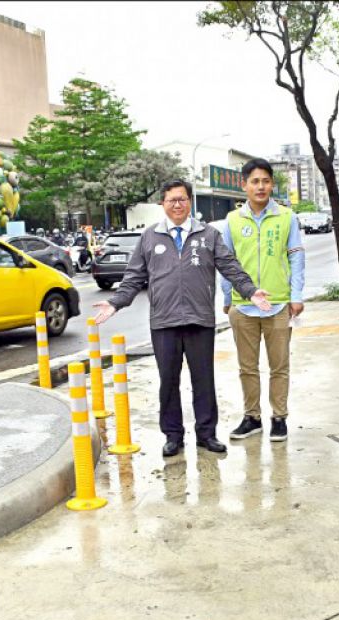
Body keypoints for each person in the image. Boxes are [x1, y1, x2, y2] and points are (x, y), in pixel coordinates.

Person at [92, 180, 271, 457]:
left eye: (182, 199)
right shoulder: (150, 237)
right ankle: (173, 436)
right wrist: (116, 303)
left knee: (204, 380)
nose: (177, 205)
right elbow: (133, 277)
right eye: (171, 200)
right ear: (163, 204)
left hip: (200, 320)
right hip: (164, 323)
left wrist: (250, 291)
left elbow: (230, 267)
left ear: (190, 202)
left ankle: (207, 434)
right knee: (168, 381)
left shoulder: (208, 234)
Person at [220, 158, 305, 442]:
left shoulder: (287, 217)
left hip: (279, 304)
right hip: (243, 306)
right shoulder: (232, 221)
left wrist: (296, 296)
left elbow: (296, 256)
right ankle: (252, 417)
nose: (260, 186)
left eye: (265, 181)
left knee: (279, 366)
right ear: (244, 185)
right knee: (247, 367)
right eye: (254, 181)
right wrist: (227, 299)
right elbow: (225, 262)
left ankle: (279, 417)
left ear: (272, 184)